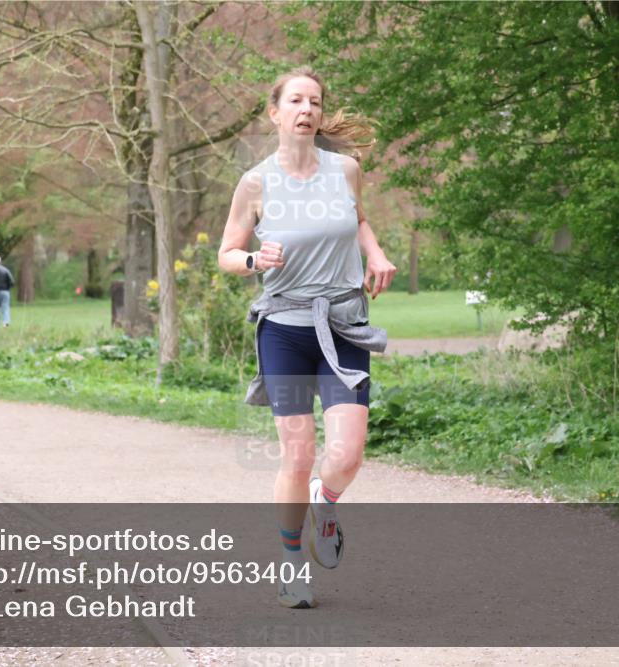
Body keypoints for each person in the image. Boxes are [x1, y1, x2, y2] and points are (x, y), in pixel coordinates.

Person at [217, 67, 397, 609]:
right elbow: (227, 253)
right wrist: (253, 258)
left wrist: (377, 252)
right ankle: (292, 563)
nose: (307, 109)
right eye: (295, 100)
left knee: (345, 455)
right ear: (274, 113)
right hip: (286, 331)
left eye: (315, 101)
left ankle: (327, 501)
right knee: (297, 457)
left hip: (343, 327)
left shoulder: (345, 170)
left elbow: (359, 220)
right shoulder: (255, 183)